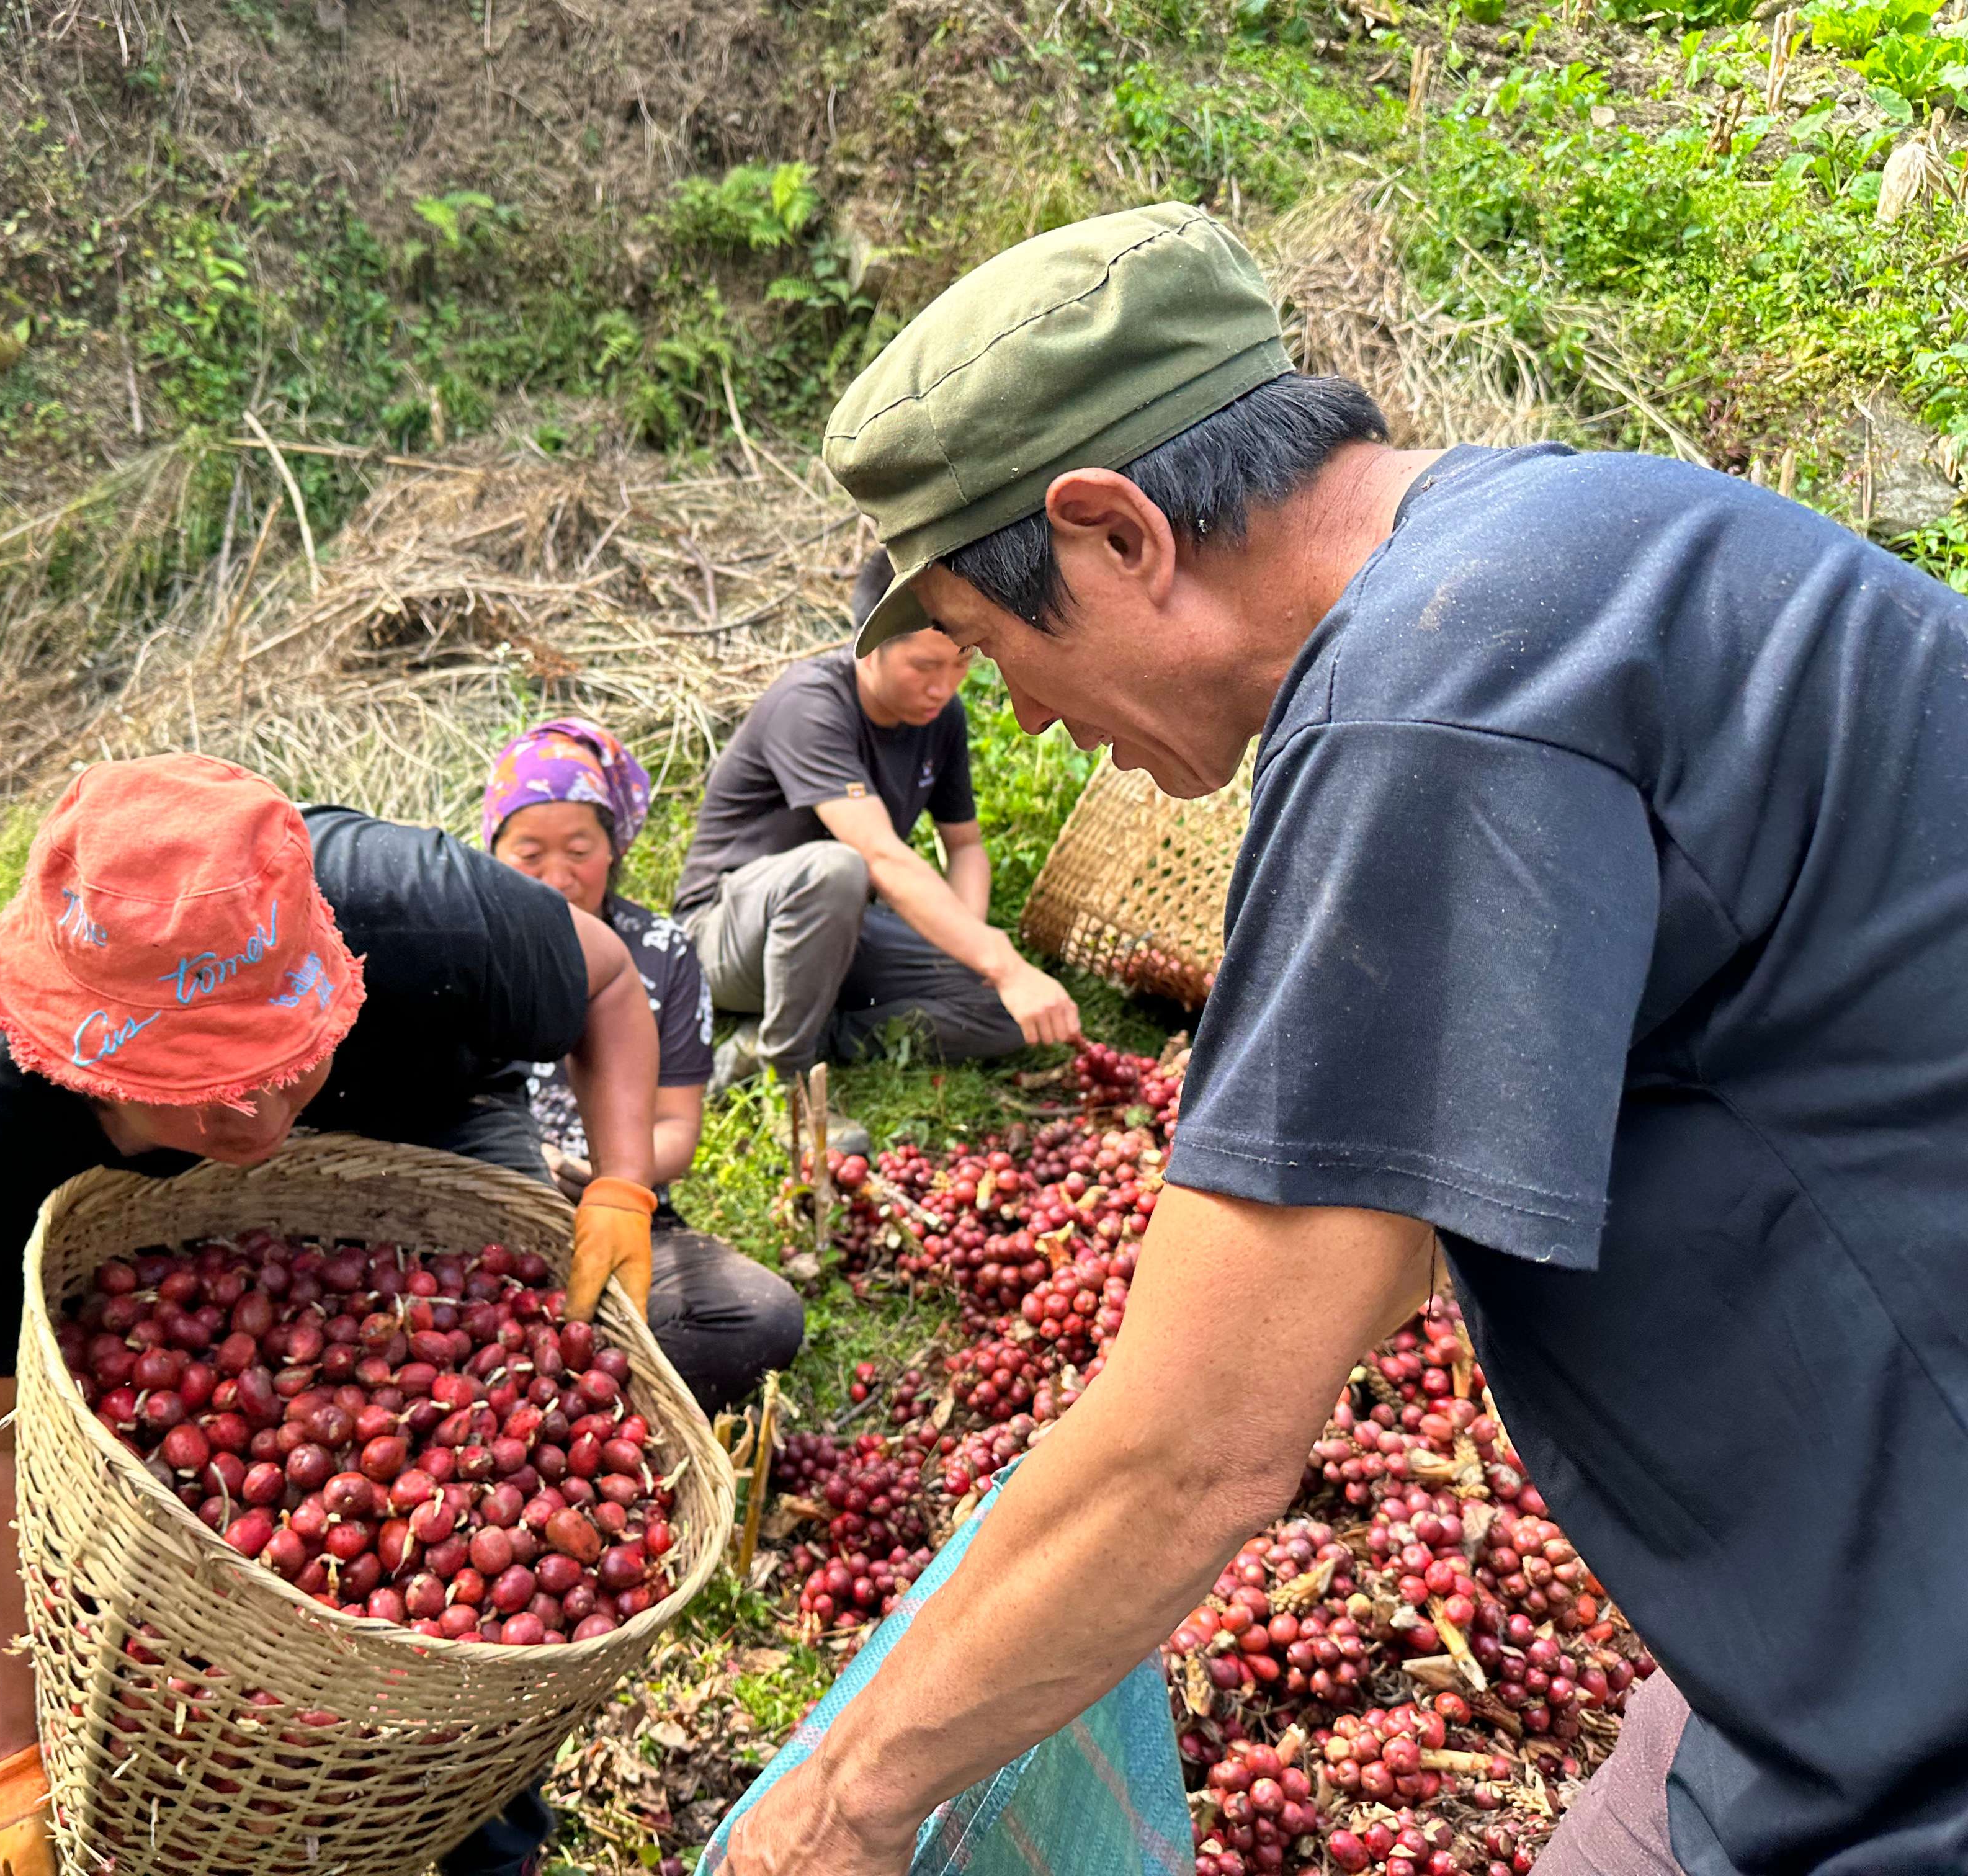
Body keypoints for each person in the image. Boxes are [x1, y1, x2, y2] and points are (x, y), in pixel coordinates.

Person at [715, 205, 1968, 1876]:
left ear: (1114, 534)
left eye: (1004, 644)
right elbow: (1356, 1252)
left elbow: (1199, 1448)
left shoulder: (1439, 711)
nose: (1015, 712)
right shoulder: (1584, 540)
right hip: (1834, 1611)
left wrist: (842, 1805)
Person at [0, 752, 666, 1876]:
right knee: (51, 1535)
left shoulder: (407, 912)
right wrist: (14, 1754)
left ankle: (477, 1826)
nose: (260, 1115)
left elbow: (606, 984)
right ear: (86, 1063)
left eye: (284, 1058)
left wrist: (620, 1184)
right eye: (203, 1082)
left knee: (484, 1645)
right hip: (149, 1253)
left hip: (428, 1120)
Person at [481, 717, 806, 1409]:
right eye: (528, 854)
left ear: (615, 849)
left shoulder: (660, 951)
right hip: (481, 1213)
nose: (558, 877)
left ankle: (568, 1398)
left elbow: (675, 1134)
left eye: (580, 849)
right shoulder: (469, 943)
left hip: (622, 1210)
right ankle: (560, 1373)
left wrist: (600, 1175)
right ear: (492, 854)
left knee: (761, 1315)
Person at [673, 565, 1083, 1092]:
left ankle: (822, 1034)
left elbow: (965, 845)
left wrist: (969, 952)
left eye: (960, 664)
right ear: (869, 650)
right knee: (839, 868)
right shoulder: (810, 704)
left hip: (842, 933)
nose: (943, 687)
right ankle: (787, 1074)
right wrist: (999, 959)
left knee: (1009, 1015)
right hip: (730, 934)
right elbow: (879, 854)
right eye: (923, 667)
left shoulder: (942, 719)